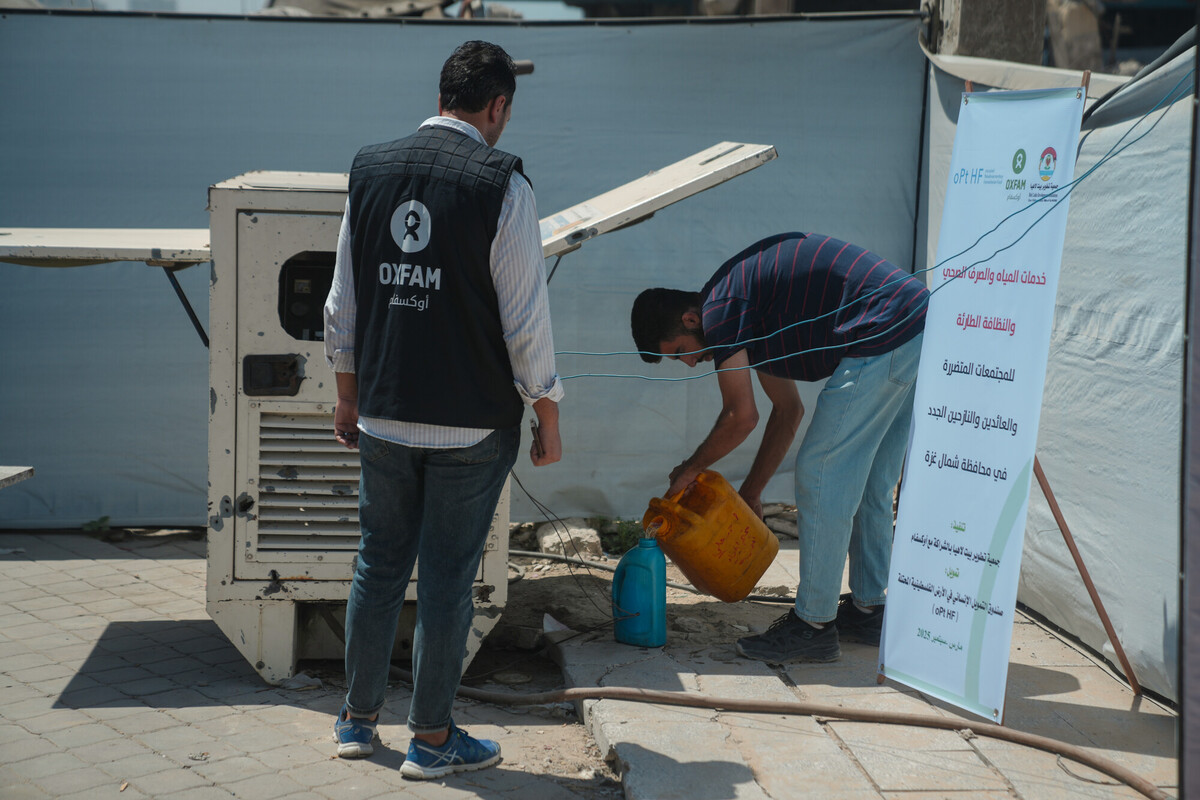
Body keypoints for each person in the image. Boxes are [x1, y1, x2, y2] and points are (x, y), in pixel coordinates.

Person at [323, 40, 563, 779]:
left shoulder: (369, 170)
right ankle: (431, 741)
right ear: (496, 107)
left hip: (384, 415)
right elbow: (525, 320)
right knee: (449, 577)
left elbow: (344, 301)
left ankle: (357, 724)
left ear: (440, 97)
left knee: (378, 565)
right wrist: (547, 410)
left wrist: (346, 392)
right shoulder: (503, 185)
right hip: (469, 427)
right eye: (504, 110)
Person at [630, 232, 927, 664]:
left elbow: (739, 415)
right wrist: (751, 491)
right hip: (912, 321)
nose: (690, 364)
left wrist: (690, 468)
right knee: (868, 481)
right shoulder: (752, 313)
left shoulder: (721, 308)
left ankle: (814, 626)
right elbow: (786, 411)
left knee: (822, 471)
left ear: (692, 320)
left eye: (680, 353)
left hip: (884, 330)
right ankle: (869, 610)